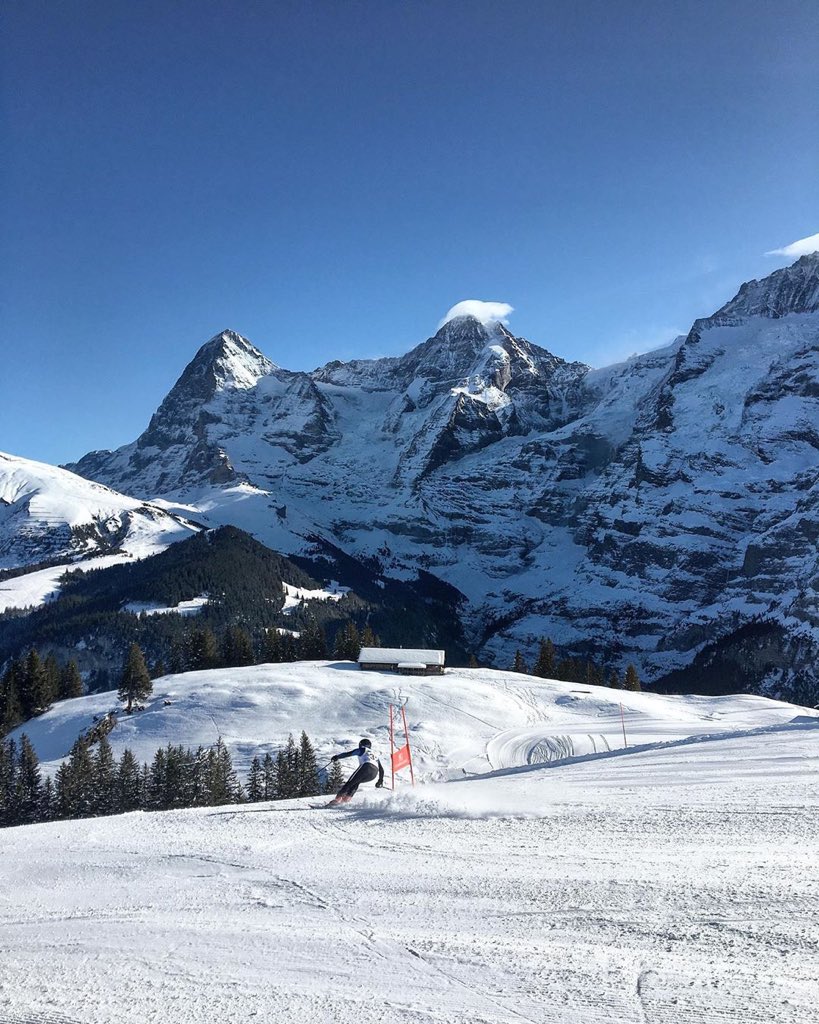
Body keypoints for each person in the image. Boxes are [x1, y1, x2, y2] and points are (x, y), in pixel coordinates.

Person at [328, 738, 384, 804]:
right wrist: (380, 781)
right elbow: (381, 770)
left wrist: (337, 757)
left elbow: (349, 753)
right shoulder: (375, 755)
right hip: (374, 773)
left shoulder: (363, 750)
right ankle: (346, 800)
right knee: (356, 782)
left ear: (361, 745)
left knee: (351, 782)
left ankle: (337, 800)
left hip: (366, 767)